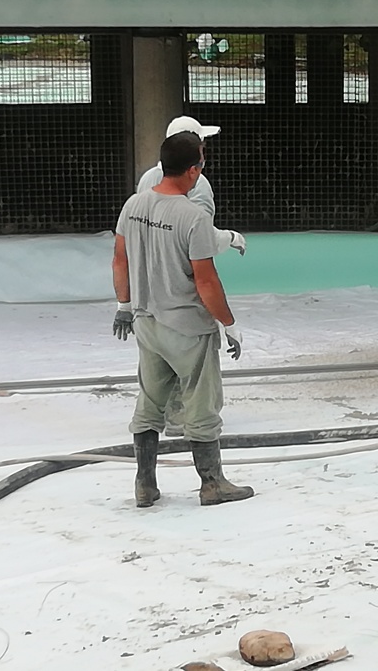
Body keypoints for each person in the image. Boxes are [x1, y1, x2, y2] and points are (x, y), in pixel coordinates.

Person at [112, 131, 255, 508]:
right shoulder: (192, 217)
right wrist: (228, 323)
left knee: (150, 402)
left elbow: (120, 259)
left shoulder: (134, 205)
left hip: (147, 322)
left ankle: (145, 484)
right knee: (202, 403)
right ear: (194, 170)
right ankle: (213, 484)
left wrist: (124, 305)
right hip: (188, 329)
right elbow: (206, 280)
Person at [137, 115, 246, 437]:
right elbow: (200, 241)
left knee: (158, 363)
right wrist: (229, 237)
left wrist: (126, 303)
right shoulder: (199, 187)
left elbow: (128, 247)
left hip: (150, 291)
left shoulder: (146, 181)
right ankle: (196, 430)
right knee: (194, 363)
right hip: (181, 287)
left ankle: (163, 422)